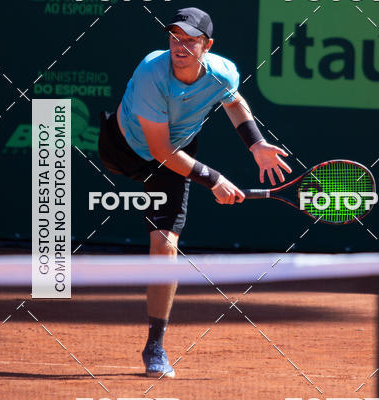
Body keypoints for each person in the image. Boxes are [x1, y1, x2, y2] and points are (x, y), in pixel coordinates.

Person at [97, 7, 291, 378]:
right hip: (124, 149)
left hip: (175, 154)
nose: (180, 46)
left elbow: (234, 101)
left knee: (165, 245)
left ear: (207, 45)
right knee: (146, 165)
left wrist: (256, 144)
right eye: (175, 37)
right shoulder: (152, 71)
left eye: (190, 40)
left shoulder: (223, 72)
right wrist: (214, 179)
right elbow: (159, 150)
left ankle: (155, 346)